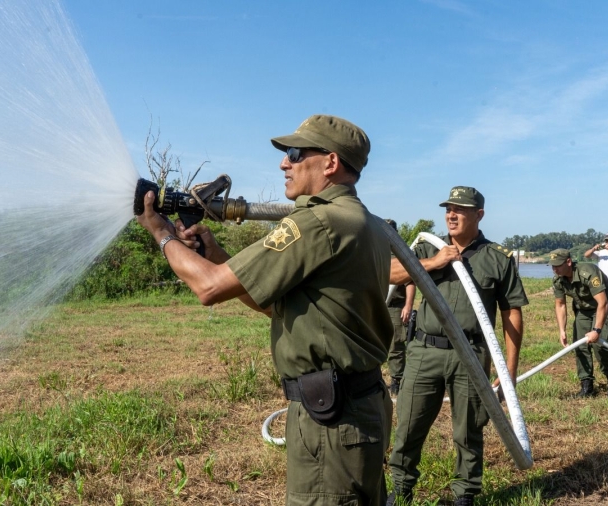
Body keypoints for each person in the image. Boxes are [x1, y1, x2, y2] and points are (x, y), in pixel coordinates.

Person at [136, 114, 393, 505]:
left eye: (293, 153)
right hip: (360, 408)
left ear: (330, 163)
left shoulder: (317, 223)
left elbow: (207, 288)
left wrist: (161, 232)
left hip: (332, 422)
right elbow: (281, 306)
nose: (283, 164)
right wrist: (219, 256)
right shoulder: (364, 223)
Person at [385, 186, 528, 506]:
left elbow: (512, 313)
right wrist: (435, 262)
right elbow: (390, 274)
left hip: (472, 354)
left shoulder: (497, 258)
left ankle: (465, 495)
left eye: (460, 209)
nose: (451, 214)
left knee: (469, 431)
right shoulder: (426, 247)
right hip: (424, 350)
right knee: (408, 425)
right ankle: (402, 488)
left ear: (479, 214)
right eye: (448, 208)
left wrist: (510, 372)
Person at [549, 248, 608, 400]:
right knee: (580, 346)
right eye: (552, 266)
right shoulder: (558, 280)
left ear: (568, 262)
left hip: (603, 307)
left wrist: (596, 330)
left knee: (599, 343)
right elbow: (560, 305)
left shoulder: (588, 272)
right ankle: (587, 385)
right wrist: (562, 330)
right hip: (583, 310)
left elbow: (602, 302)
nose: (554, 269)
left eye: (557, 265)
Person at [385, 219, 417, 395]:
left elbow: (410, 282)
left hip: (396, 307)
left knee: (396, 345)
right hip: (377, 306)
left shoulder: (401, 255)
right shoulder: (376, 252)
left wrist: (408, 305)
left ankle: (397, 380)